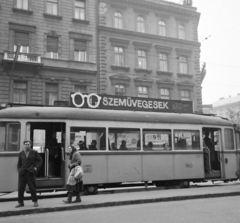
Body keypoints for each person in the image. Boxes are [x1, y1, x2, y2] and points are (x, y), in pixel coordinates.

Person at [16, 140, 42, 208]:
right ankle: (20, 202)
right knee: (21, 188)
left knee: (32, 188)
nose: (27, 145)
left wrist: (36, 168)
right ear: (24, 145)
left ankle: (35, 202)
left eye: (28, 144)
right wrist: (19, 170)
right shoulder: (21, 153)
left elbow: (40, 160)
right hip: (22, 173)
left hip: (31, 172)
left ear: (30, 145)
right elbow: (19, 163)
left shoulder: (34, 152)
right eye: (26, 144)